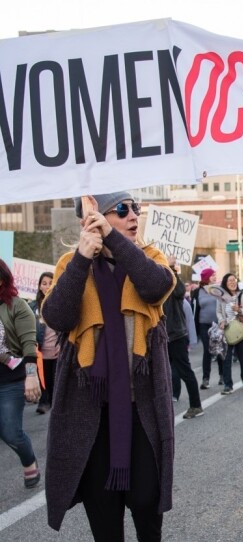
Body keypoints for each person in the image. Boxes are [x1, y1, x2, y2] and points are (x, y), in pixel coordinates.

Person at [41, 192, 175, 539]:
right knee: (103, 512)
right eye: (122, 209)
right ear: (93, 218)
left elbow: (156, 286)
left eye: (136, 208)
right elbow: (57, 316)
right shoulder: (72, 263)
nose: (133, 215)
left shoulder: (149, 257)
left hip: (141, 405)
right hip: (90, 410)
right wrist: (83, 258)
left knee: (147, 502)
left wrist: (113, 238)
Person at [0, 258, 41, 489]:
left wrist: (32, 376)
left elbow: (28, 345)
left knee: (10, 431)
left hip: (10, 381)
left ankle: (29, 460)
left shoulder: (17, 305)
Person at [162, 255, 203, 418]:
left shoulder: (174, 287)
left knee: (184, 371)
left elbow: (180, 291)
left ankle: (196, 405)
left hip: (175, 335)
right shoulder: (158, 285)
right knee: (163, 372)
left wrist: (172, 269)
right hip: (161, 336)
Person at [216, 273, 243, 394]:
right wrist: (221, 321)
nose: (232, 282)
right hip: (226, 331)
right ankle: (228, 384)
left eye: (234, 280)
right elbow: (219, 312)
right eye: (229, 281)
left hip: (240, 330)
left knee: (242, 358)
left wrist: (239, 310)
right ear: (225, 283)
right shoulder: (221, 297)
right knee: (226, 359)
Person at [31, 271, 60, 414]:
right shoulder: (33, 308)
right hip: (41, 353)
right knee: (44, 380)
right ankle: (44, 402)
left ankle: (56, 405)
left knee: (57, 381)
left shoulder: (60, 303)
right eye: (44, 283)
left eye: (50, 282)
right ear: (39, 286)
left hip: (57, 351)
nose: (47, 286)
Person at [194, 268, 221, 389]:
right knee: (208, 351)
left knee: (219, 350)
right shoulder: (197, 292)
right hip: (204, 325)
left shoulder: (218, 289)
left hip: (218, 325)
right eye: (212, 275)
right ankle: (206, 379)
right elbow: (194, 310)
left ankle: (222, 376)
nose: (215, 277)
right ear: (206, 277)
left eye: (215, 275)